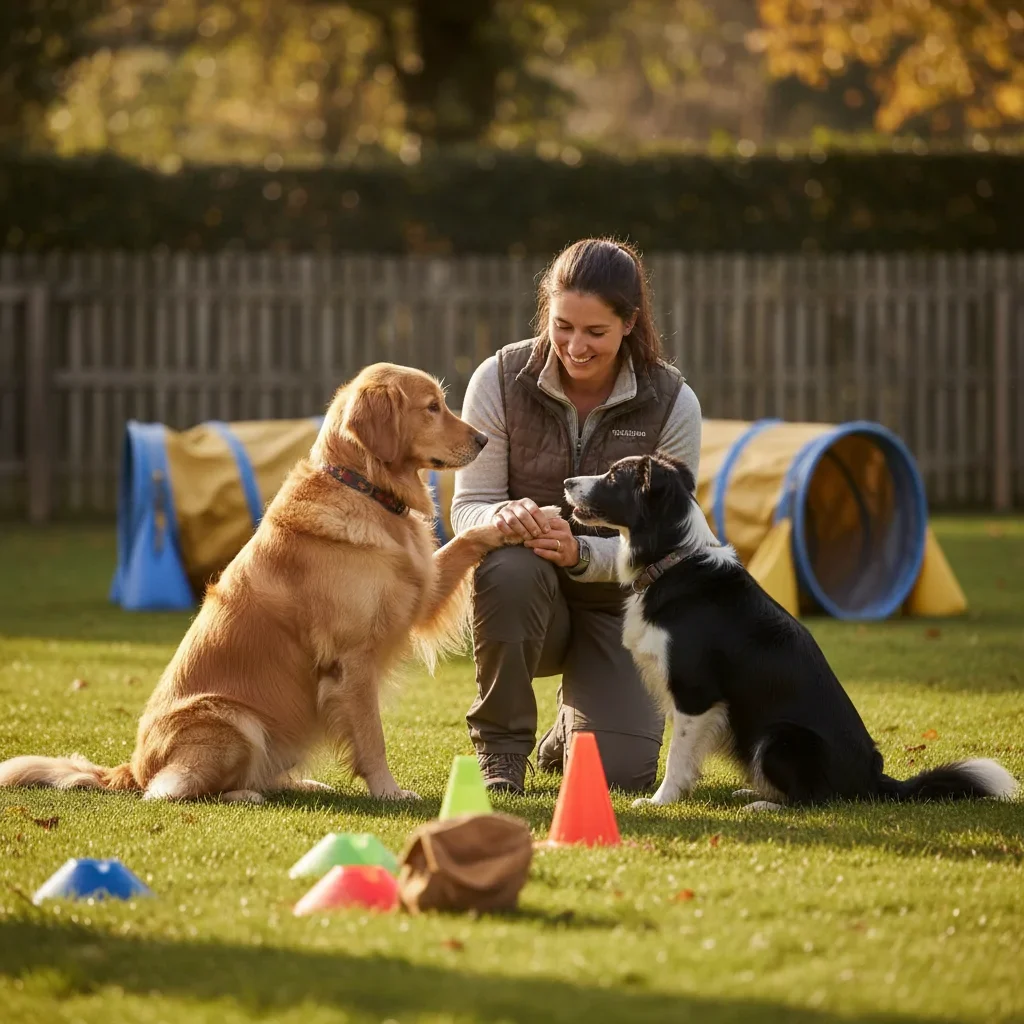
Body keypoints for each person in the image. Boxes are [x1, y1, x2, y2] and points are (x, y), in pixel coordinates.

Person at [450, 238, 702, 795]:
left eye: (596, 332)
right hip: (523, 601)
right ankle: (502, 755)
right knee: (510, 567)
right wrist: (504, 516)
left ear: (630, 323)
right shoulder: (497, 379)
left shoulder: (673, 400)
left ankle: (573, 729)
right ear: (547, 311)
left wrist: (581, 552)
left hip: (623, 611)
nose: (575, 346)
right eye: (563, 326)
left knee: (619, 776)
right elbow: (466, 507)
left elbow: (675, 544)